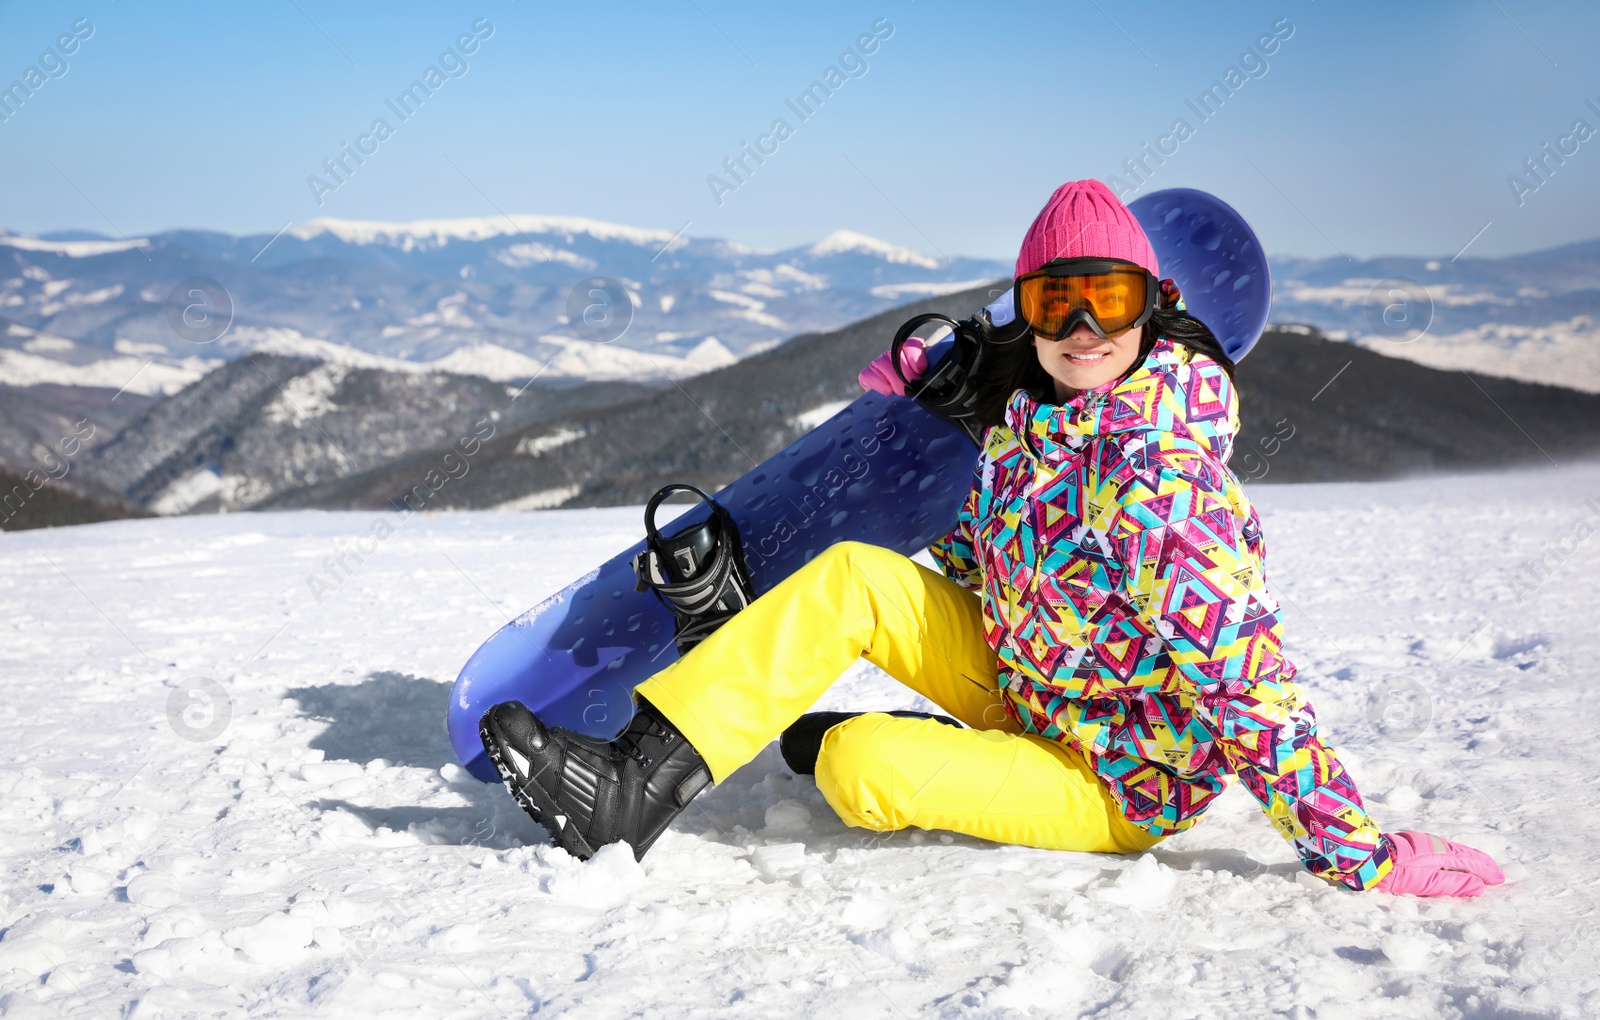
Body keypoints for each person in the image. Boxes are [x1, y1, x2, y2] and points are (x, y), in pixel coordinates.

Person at [480, 179, 1504, 897]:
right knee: (853, 580)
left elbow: (1250, 690)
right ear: (1025, 312)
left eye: (1108, 296)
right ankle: (631, 786)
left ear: (1154, 307)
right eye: (1055, 300)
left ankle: (819, 727)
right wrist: (971, 431)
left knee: (857, 769)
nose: (1083, 325)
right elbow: (990, 576)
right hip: (1030, 682)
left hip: (1116, 777)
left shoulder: (1162, 479)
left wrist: (1362, 855)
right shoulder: (1034, 424)